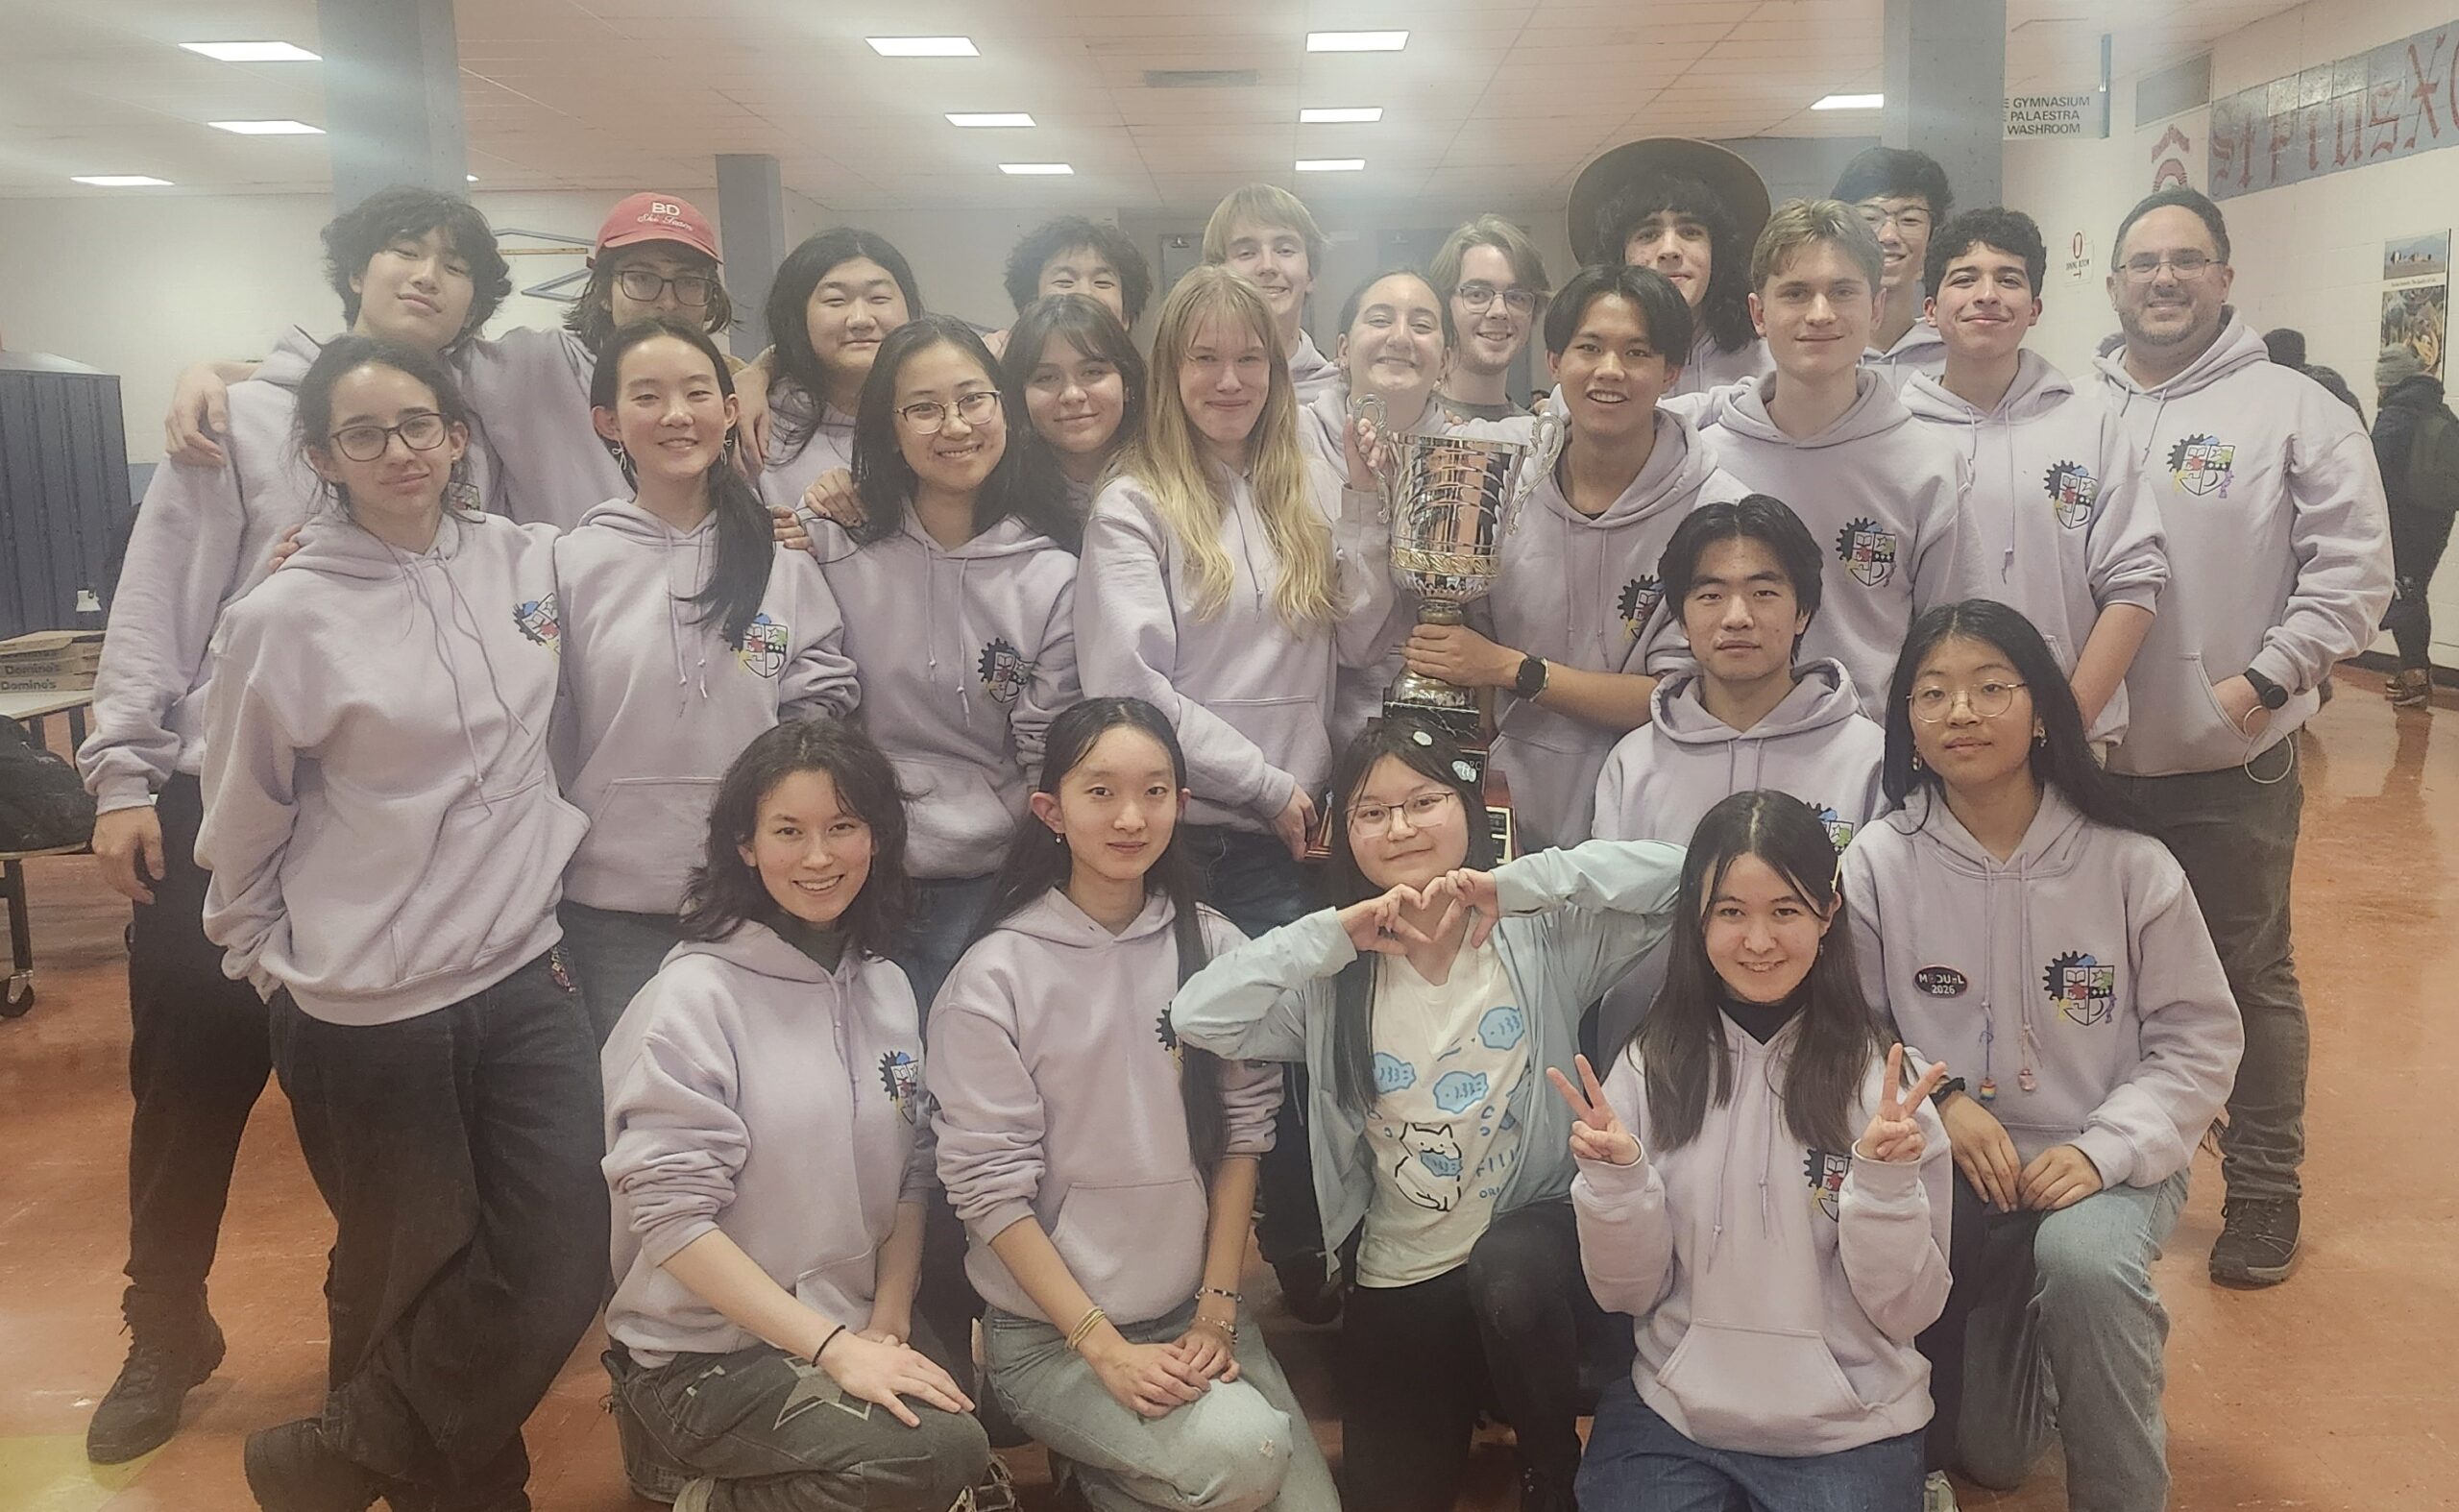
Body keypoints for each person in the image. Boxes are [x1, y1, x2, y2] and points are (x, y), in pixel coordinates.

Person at [71, 183, 510, 1467]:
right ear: (354, 272)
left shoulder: (467, 433)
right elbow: (157, 598)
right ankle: (165, 1325)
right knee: (190, 1077)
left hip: (383, 818)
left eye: (452, 262)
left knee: (369, 1101)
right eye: (402, 253)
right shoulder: (248, 420)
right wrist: (121, 777)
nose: (425, 274)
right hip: (220, 794)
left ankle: (367, 1346)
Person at [196, 336, 603, 1510]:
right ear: (323, 456)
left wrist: (789, 525)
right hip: (368, 1007)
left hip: (524, 971)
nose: (399, 451)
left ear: (458, 436)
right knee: (406, 1274)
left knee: (568, 1242)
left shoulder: (528, 560)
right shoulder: (284, 614)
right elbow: (244, 805)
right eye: (363, 434)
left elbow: (667, 566)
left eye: (419, 424)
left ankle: (331, 1460)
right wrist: (261, 956)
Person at [1171, 718, 1684, 1512]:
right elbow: (1199, 1015)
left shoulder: (1538, 936)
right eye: (1372, 812)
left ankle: (1551, 1468)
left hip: (1533, 1256)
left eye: (1423, 801)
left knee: (1509, 1276)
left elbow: (1688, 880)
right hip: (1401, 1269)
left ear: (1468, 810)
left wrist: (1519, 883)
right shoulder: (1333, 975)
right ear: (1346, 835)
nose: (1401, 827)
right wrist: (1331, 933)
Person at [1843, 599, 2243, 1512]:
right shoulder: (1879, 862)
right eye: (1932, 693)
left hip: (2105, 1159)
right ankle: (2053, 1335)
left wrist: (2104, 1149)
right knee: (1991, 1454)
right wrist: (1941, 1104)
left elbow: (2198, 1037)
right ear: (1907, 723)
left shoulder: (2130, 861)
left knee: (2087, 1264)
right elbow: (1855, 1029)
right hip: (1958, 1168)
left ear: (2041, 712)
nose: (1961, 712)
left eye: (1992, 688)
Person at [929, 696, 1340, 1512]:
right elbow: (988, 1192)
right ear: (1050, 811)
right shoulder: (994, 977)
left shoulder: (1216, 948)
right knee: (1245, 1458)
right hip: (1053, 1338)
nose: (1130, 817)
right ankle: (1105, 1462)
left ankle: (1109, 1471)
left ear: (1181, 806)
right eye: (1100, 792)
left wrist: (1217, 1311)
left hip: (1191, 1315)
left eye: (1154, 792)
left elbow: (1244, 1138)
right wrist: (1104, 1350)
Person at [1076, 264, 1390, 1322]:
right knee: (1182, 1069)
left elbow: (1360, 640)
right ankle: (1155, 1288)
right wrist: (1266, 784)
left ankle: (1313, 1268)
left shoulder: (1302, 485)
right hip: (1188, 836)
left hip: (1294, 834)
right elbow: (1130, 687)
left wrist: (1366, 503)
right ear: (1167, 370)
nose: (1228, 379)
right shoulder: (1133, 502)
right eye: (1203, 357)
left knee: (1305, 1061)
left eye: (1249, 357)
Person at [2092, 187, 2392, 1284]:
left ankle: (2264, 1189)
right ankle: (2110, 1170)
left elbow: (2355, 568)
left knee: (2245, 975)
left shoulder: (2293, 409)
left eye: (2187, 259)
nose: (2164, 278)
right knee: (2089, 979)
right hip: (2087, 764)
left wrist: (2264, 681)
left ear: (2224, 277)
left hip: (2228, 762)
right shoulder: (2073, 407)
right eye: (2143, 262)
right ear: (2112, 284)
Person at [600, 718, 998, 1512]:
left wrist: (886, 1325)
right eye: (789, 831)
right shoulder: (690, 1000)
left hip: (846, 1321)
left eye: (842, 827)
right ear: (745, 846)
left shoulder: (886, 985)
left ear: (877, 837)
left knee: (977, 1463)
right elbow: (673, 1222)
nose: (819, 857)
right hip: (705, 1355)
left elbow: (913, 1175)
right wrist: (835, 1351)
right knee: (937, 1455)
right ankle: (684, 1482)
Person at [1564, 790, 1952, 1512]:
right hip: (1677, 1411)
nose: (1759, 940)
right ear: (1697, 918)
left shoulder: (1883, 1086)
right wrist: (1615, 1188)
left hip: (1847, 1425)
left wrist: (1886, 1189)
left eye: (1786, 911)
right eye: (1731, 912)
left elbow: (1908, 1312)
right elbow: (1626, 1295)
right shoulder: (1651, 1066)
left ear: (1828, 913)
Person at [550, 315, 860, 1036]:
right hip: (613, 908)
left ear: (728, 411)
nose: (676, 415)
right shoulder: (566, 566)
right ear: (607, 421)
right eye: (647, 396)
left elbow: (822, 697)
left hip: (765, 890)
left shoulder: (781, 561)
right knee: (632, 1095)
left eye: (696, 393)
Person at [1402, 263, 1748, 855]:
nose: (1610, 370)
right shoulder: (1502, 474)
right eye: (1590, 348)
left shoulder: (1718, 512)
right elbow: (1471, 639)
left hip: (1651, 808)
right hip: (1509, 799)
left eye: (1637, 353)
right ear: (1555, 361)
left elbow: (1683, 695)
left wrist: (1512, 670)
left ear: (1670, 372)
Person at [163, 191, 753, 532]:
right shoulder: (528, 366)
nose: (666, 299)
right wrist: (219, 372)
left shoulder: (739, 401)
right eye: (641, 278)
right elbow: (381, 371)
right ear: (602, 287)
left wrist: (762, 371)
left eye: (689, 282)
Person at [797, 313, 1080, 1013]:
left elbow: (1046, 750)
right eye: (923, 408)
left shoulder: (1052, 576)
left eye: (973, 399)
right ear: (889, 428)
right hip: (854, 872)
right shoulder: (833, 549)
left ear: (1005, 410)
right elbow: (810, 715)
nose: (955, 426)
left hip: (991, 879)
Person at [1664, 198, 1983, 721]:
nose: (1820, 314)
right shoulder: (1701, 463)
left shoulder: (1930, 467)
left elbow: (1952, 644)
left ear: (1875, 308)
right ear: (1759, 314)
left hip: (1870, 755)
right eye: (1795, 293)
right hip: (1719, 749)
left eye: (1842, 292)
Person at [1591, 497, 1886, 1050]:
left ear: (1803, 612)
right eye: (1710, 595)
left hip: (1824, 1062)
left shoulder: (1868, 760)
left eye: (1764, 593)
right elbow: (1605, 934)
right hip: (1653, 1064)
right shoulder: (1634, 763)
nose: (1736, 617)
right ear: (1681, 619)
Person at [1901, 208, 2167, 744]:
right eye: (1964, 279)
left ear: (2035, 308)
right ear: (1930, 309)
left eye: (2008, 279)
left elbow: (2133, 584)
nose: (1987, 295)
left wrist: (2064, 724)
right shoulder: (1895, 435)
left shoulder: (2091, 425)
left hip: (2072, 732)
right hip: (1936, 736)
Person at [1302, 267, 1458, 750]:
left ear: (1446, 361)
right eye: (1380, 319)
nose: (1400, 337)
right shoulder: (1288, 447)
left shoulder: (1468, 457)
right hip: (1312, 740)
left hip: (1439, 737)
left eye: (1422, 325)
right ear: (1342, 350)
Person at [1571, 137, 1776, 397]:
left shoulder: (1770, 369)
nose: (1669, 250)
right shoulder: (1584, 378)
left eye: (1690, 232)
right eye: (1648, 235)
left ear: (1717, 252)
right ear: (1619, 256)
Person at [758, 227, 922, 516]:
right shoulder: (758, 426)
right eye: (835, 300)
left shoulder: (943, 417)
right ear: (797, 315)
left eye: (879, 298)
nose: (860, 319)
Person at [1002, 292, 1148, 513]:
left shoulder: (1173, 478)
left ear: (1127, 383)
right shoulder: (1002, 500)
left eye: (1092, 372)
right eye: (1046, 378)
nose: (1072, 395)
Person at [2374, 341, 2457, 708]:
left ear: (2389, 382)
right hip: (2436, 519)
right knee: (2412, 590)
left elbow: (2374, 472)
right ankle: (2414, 673)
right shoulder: (2440, 410)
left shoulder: (2396, 414)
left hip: (2402, 521)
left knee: (2403, 594)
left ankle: (2416, 677)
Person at [1203, 183, 1341, 402]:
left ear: (1310, 274)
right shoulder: (1195, 389)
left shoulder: (1340, 394)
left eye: (1285, 250)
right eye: (1247, 253)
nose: (1268, 266)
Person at [1834, 146, 1954, 384]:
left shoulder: (1957, 354)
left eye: (1909, 220)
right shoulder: (1809, 349)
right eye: (1870, 218)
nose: (1889, 236)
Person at [1428, 214, 1551, 422]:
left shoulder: (1536, 435)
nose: (1499, 311)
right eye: (1477, 294)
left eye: (1516, 297)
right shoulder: (1408, 423)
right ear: (1443, 305)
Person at [990, 214, 1155, 354]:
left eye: (1102, 283)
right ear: (1030, 306)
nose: (1085, 293)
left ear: (1125, 316)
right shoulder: (998, 367)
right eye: (1064, 282)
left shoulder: (1153, 380)